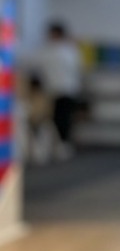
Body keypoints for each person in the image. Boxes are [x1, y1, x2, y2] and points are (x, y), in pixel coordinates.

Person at [33, 20, 84, 161]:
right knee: (63, 119)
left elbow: (34, 64)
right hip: (68, 89)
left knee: (59, 119)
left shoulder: (50, 51)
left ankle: (61, 147)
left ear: (55, 34)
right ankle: (62, 146)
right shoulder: (71, 50)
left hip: (58, 89)